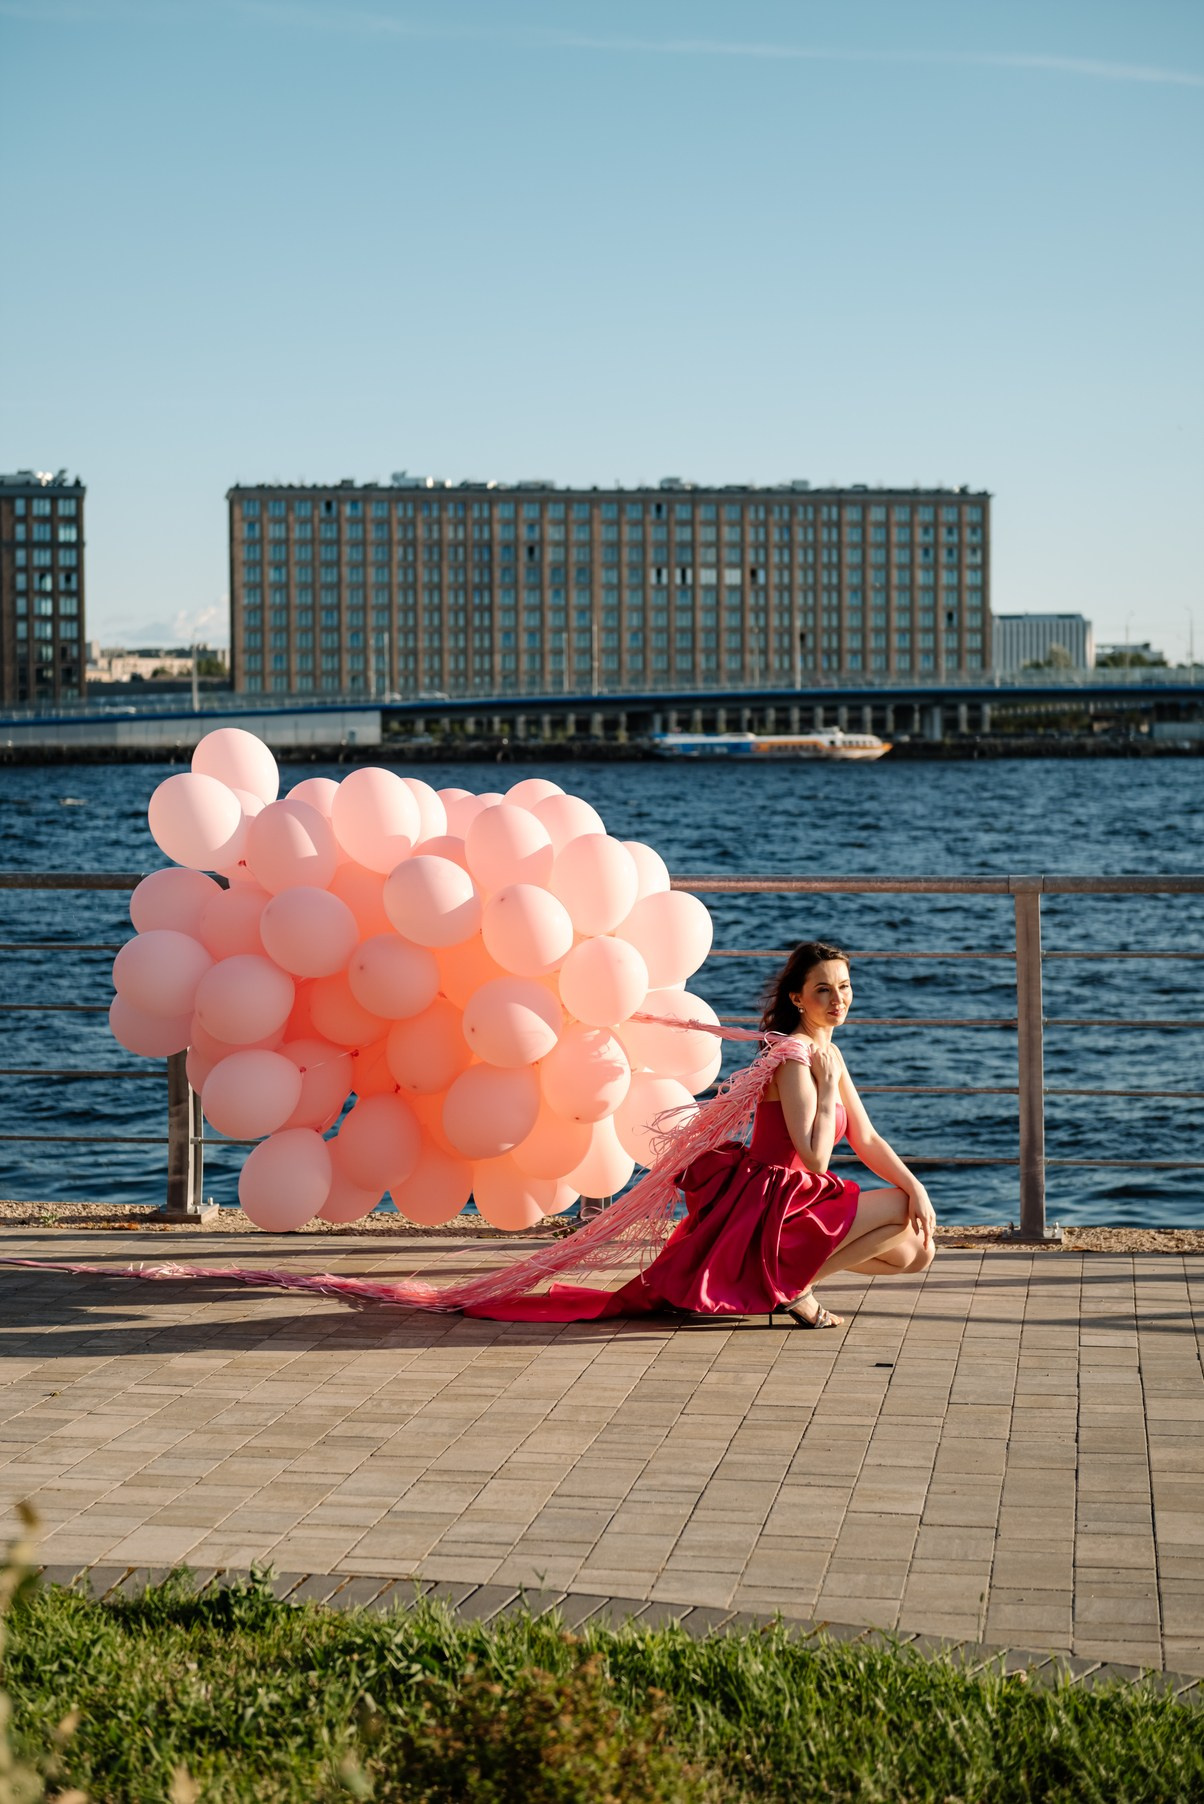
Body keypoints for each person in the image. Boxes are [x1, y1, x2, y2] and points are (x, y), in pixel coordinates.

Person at [459, 939, 936, 1325]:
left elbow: (866, 1139)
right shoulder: (795, 1058)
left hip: (798, 1198)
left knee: (916, 1252)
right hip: (775, 1203)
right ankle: (791, 1289)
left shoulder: (826, 1052)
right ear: (798, 998)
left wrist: (918, 1188)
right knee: (895, 1208)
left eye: (844, 987)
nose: (838, 1000)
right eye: (824, 990)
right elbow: (815, 1159)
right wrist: (828, 1085)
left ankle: (773, 1277)